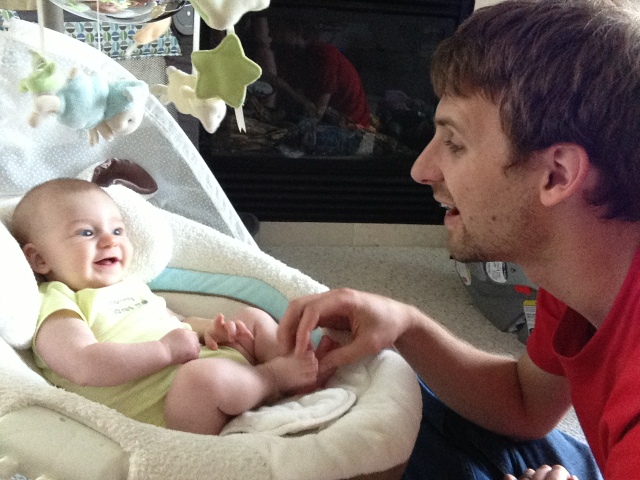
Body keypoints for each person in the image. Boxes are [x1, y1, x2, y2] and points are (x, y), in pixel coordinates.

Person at [277, 0, 640, 478]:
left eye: (454, 143)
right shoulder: (580, 262)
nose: (421, 169)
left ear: (556, 174)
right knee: (383, 406)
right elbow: (527, 404)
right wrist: (406, 324)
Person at [11, 178, 321, 435]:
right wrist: (164, 351)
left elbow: (178, 322)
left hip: (219, 369)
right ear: (39, 259)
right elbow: (83, 364)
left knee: (252, 318)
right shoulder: (57, 301)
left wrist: (210, 330)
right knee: (200, 379)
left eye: (117, 231)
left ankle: (301, 368)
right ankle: (274, 378)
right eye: (86, 233)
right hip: (184, 407)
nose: (109, 242)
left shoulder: (132, 285)